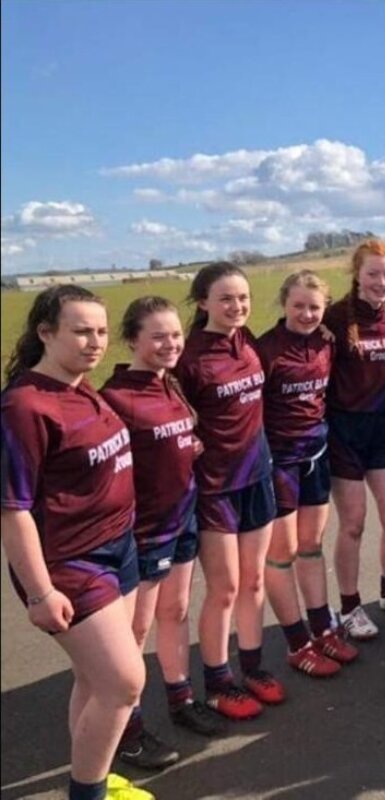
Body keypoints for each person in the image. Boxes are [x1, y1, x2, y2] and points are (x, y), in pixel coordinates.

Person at [1, 285, 153, 800]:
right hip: (69, 564)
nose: (94, 342)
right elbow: (12, 509)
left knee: (93, 681)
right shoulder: (24, 407)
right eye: (81, 331)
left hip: (119, 550)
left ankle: (99, 779)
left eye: (102, 331)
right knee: (124, 683)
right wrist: (40, 593)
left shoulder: (83, 385)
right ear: (46, 333)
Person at [101, 298, 223, 772]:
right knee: (134, 632)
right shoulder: (116, 397)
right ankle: (126, 731)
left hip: (183, 518)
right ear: (132, 339)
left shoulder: (168, 384)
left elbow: (170, 442)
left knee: (176, 611)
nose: (170, 343)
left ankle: (181, 698)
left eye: (175, 335)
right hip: (146, 531)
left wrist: (187, 445)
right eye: (158, 336)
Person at [176, 261, 280, 721]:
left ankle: (253, 667)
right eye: (225, 299)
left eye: (242, 298)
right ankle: (218, 683)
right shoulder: (189, 357)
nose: (236, 306)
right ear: (203, 303)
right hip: (215, 487)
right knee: (225, 588)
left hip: (257, 476)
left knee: (254, 581)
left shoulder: (247, 341)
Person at [258, 271, 358, 679]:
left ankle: (322, 626)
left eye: (315, 307)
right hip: (277, 461)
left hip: (316, 452)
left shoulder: (326, 342)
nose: (306, 313)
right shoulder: (264, 349)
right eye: (298, 305)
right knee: (280, 555)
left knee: (311, 545)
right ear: (284, 303)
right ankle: (297, 641)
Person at [323, 239, 385, 639]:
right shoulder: (334, 317)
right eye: (373, 274)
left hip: (383, 431)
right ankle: (348, 606)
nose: (381, 282)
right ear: (357, 274)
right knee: (354, 524)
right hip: (345, 433)